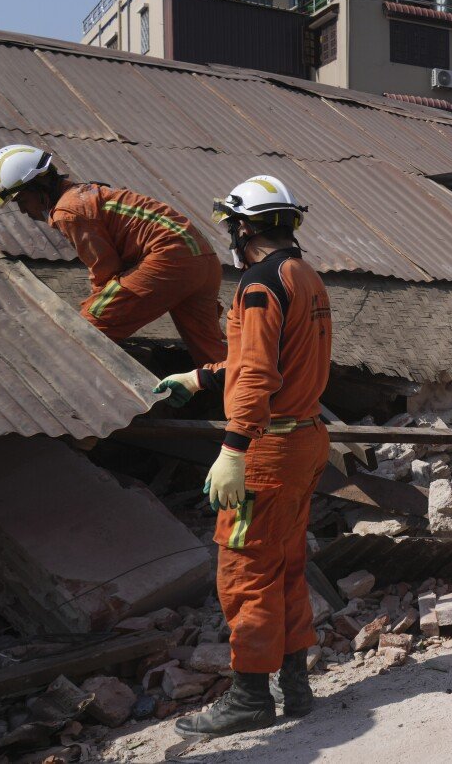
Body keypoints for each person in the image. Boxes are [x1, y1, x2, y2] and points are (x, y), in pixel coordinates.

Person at [155, 176, 331, 738]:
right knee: (287, 562)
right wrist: (200, 376)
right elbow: (269, 357)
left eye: (231, 224)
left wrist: (233, 449)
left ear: (244, 226)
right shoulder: (304, 277)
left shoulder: (258, 285)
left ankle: (250, 696)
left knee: (247, 568)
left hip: (267, 448)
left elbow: (256, 371)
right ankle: (295, 685)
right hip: (305, 439)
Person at [0, 144, 225, 364]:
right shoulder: (87, 194)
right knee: (211, 352)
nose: (23, 210)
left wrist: (95, 307)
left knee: (86, 330)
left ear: (39, 186)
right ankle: (259, 406)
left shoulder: (69, 211)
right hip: (204, 259)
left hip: (170, 260)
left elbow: (105, 271)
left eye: (21, 200)